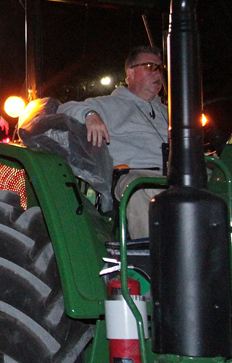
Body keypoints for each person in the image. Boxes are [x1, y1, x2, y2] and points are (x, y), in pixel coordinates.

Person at [58, 46, 168, 238]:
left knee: (224, 183)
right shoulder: (110, 105)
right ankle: (155, 259)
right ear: (130, 73)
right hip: (136, 175)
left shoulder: (169, 113)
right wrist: (90, 115)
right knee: (141, 189)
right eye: (150, 66)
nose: (157, 73)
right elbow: (64, 109)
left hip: (175, 175)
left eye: (160, 67)